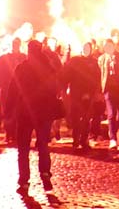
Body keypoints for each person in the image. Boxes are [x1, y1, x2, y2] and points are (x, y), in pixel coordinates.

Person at [7, 39, 60, 193]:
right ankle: (45, 174)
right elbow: (55, 89)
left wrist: (8, 112)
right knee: (43, 144)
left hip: (25, 113)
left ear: (29, 51)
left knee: (23, 148)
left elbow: (12, 91)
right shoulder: (49, 68)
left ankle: (24, 180)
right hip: (43, 113)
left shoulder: (21, 68)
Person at [61, 42, 98, 150]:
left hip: (89, 94)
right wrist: (64, 88)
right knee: (76, 117)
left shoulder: (94, 62)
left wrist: (95, 92)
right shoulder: (75, 61)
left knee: (86, 118)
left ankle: (83, 140)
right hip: (76, 93)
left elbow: (96, 78)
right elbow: (66, 75)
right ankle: (76, 139)